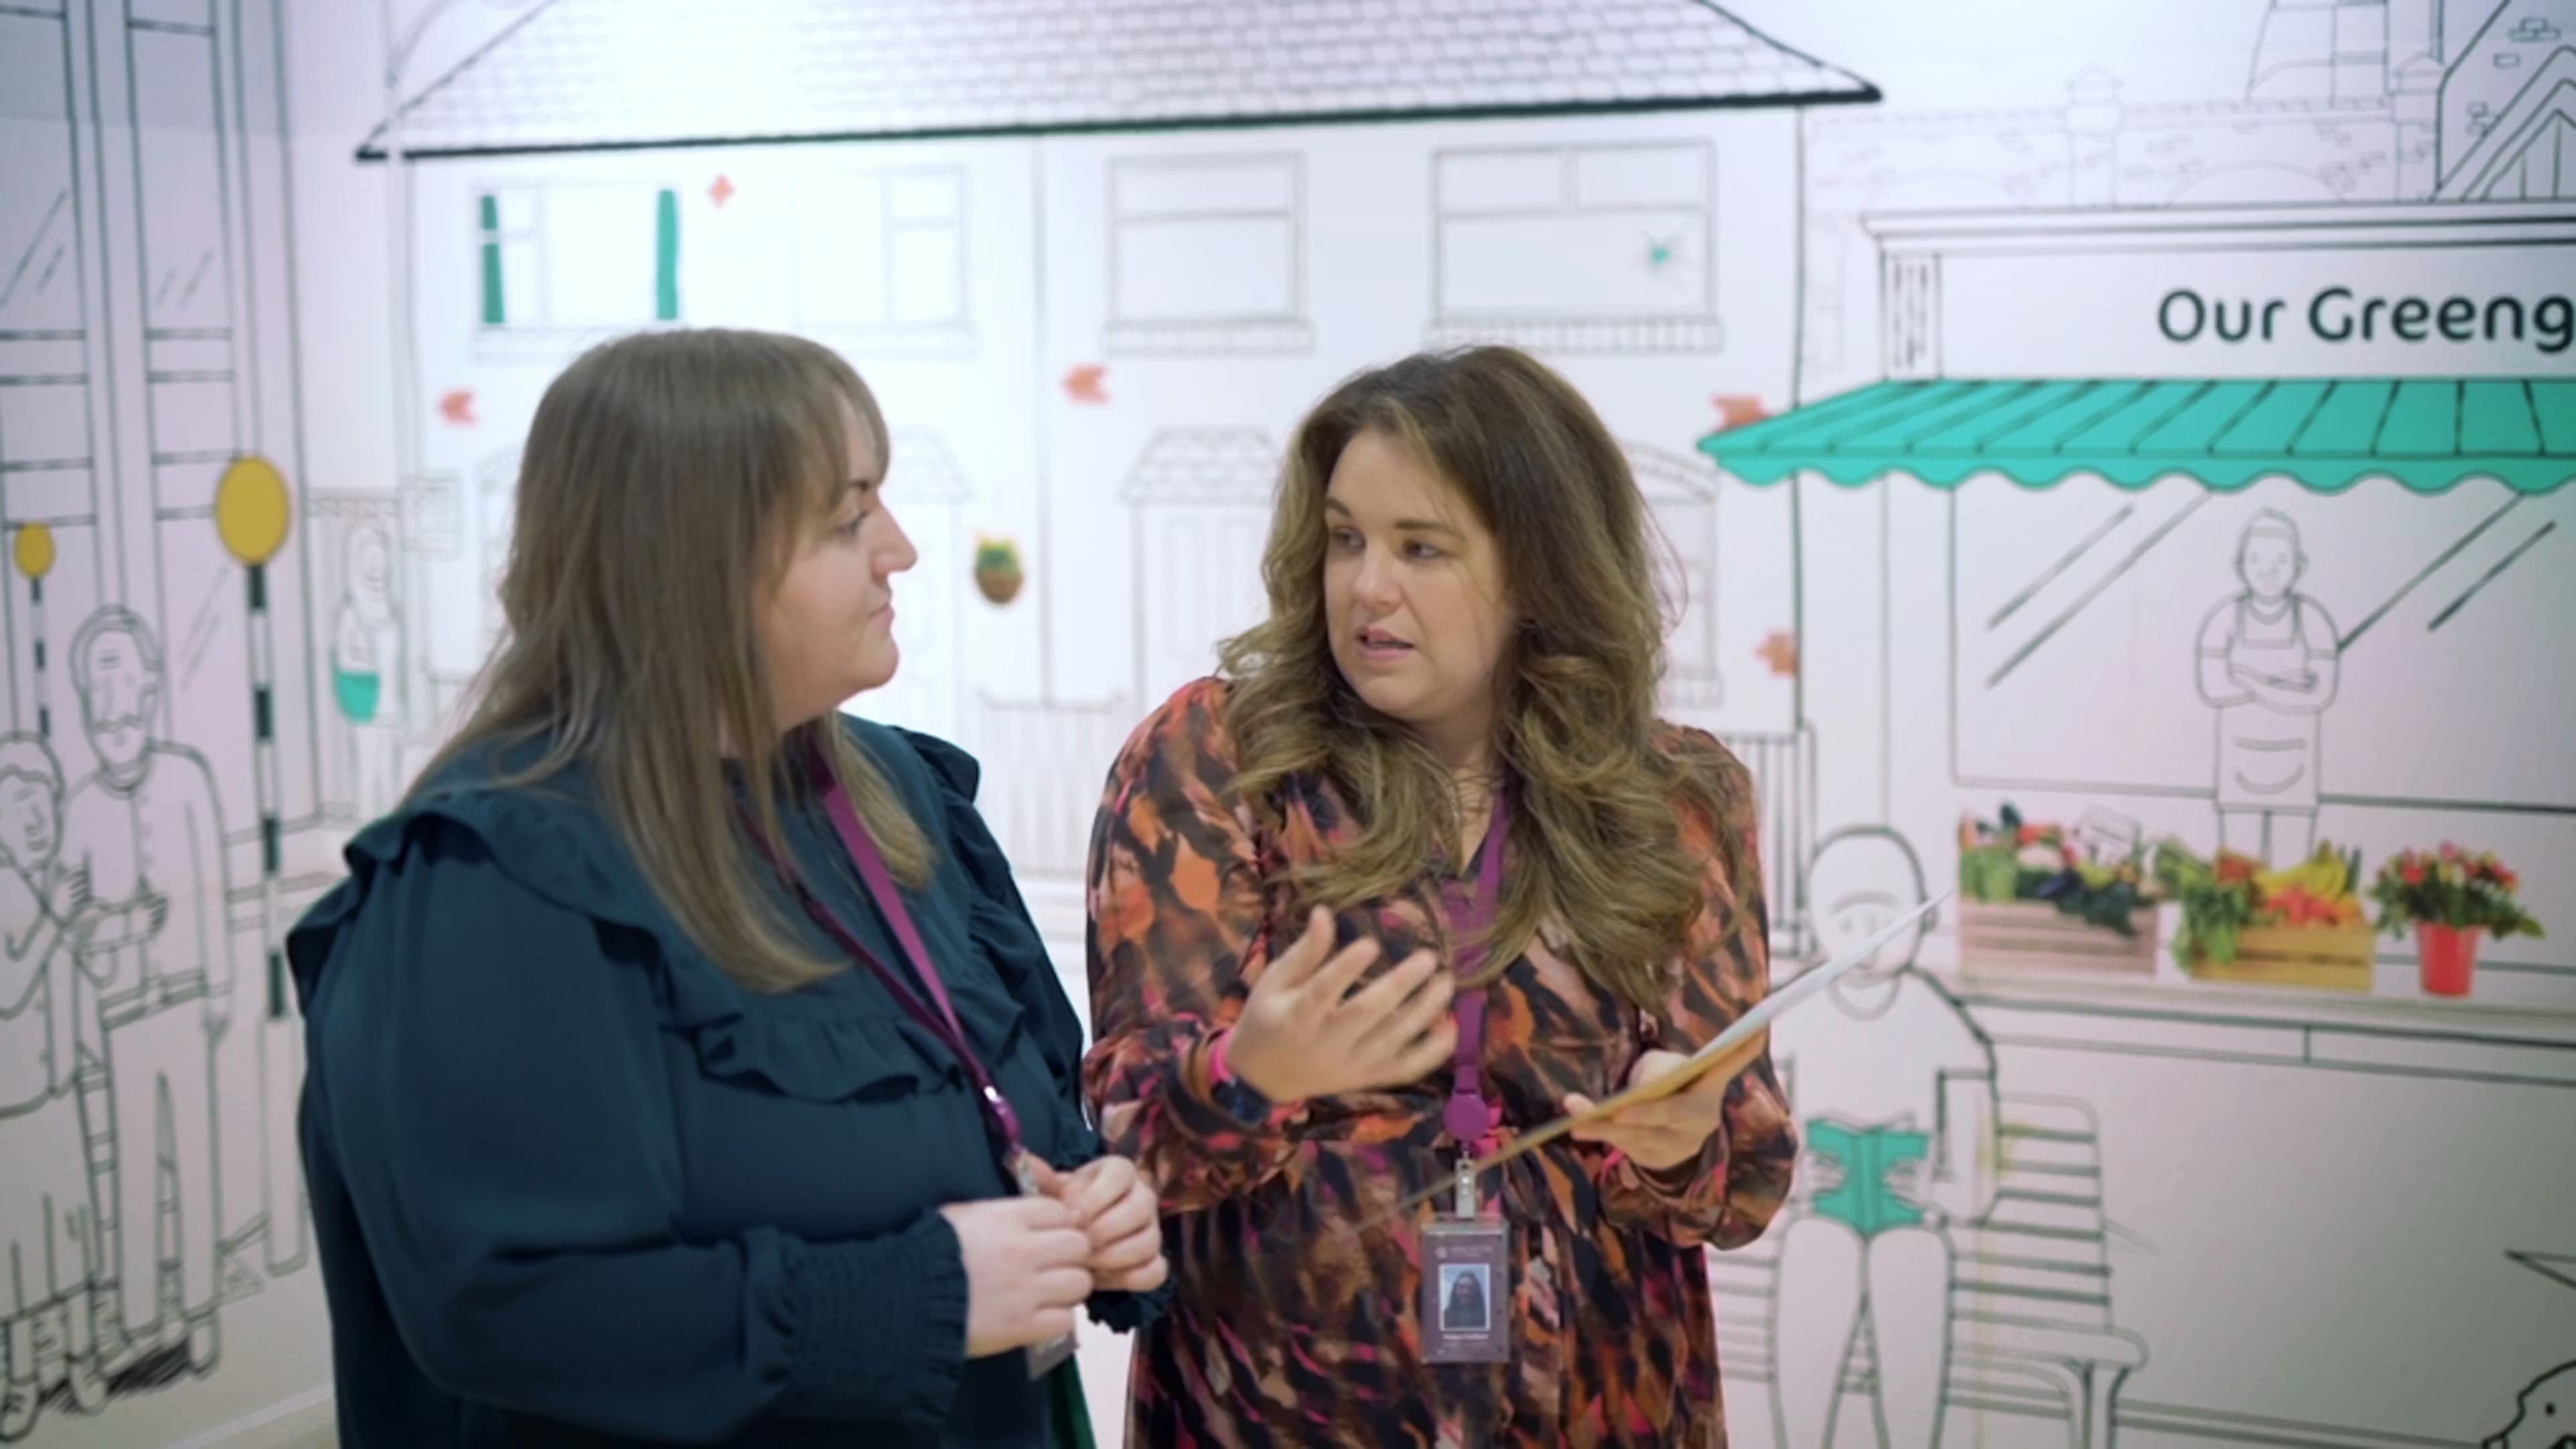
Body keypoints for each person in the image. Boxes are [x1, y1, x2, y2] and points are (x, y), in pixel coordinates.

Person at [286, 328, 1167, 1446]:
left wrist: (1097, 1205)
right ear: (697, 563)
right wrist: (923, 1295)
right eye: (849, 520)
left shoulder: (900, 796)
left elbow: (1026, 1114)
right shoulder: (494, 880)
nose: (898, 550)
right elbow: (507, 1306)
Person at [1084, 345, 1798, 1446]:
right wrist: (1250, 1076)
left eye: (1423, 548)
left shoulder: (1677, 796)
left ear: (1541, 571)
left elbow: (1746, 1182)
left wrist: (1680, 1136)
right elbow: (1125, 1146)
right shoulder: (1222, 757)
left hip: (1605, 1407)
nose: (1369, 586)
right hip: (1290, 1413)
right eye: (1346, 539)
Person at [58, 608, 231, 1377]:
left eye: (128, 681)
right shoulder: (82, 807)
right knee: (133, 1168)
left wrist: (222, 983)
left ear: (153, 688)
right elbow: (74, 914)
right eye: (102, 690)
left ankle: (198, 1311)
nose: (117, 704)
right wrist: (116, 931)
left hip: (188, 997)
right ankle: (138, 1316)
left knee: (193, 1159)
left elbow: (217, 884)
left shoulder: (188, 776)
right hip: (123, 1014)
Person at [0, 735, 110, 1436]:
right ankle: (18, 1377)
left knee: (71, 1231)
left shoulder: (51, 878)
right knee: (17, 1249)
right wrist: (58, 923)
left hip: (61, 1085)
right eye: (19, 805)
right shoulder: (13, 886)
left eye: (43, 801)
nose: (35, 816)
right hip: (14, 1104)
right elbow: (10, 990)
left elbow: (77, 981)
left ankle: (79, 1353)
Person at [2196, 508, 2340, 865]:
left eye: (2280, 560)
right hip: (2238, 771)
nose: (2269, 570)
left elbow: (2320, 694)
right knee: (2238, 878)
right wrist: (2286, 684)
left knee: (2292, 877)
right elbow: (2213, 689)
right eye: (2257, 559)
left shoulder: (2313, 619)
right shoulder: (2223, 618)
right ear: (2240, 564)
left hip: (2297, 771)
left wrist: (2246, 677)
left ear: (2299, 566)